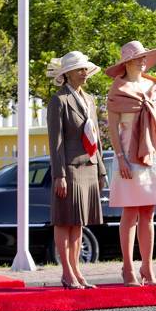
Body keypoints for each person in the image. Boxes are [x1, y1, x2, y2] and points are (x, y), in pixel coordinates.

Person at [106, 40, 156, 287]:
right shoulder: (118, 89)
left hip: (154, 156)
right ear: (127, 62)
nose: (143, 60)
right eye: (139, 57)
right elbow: (113, 130)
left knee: (148, 213)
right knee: (129, 212)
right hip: (129, 156)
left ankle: (147, 268)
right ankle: (128, 268)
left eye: (144, 57)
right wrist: (120, 159)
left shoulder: (152, 85)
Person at [46, 51, 107, 290]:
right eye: (79, 69)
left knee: (79, 222)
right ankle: (67, 272)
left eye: (85, 69)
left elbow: (97, 138)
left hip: (89, 166)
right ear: (67, 73)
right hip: (69, 169)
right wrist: (59, 174)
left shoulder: (90, 99)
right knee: (65, 221)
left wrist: (101, 170)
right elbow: (56, 141)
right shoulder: (58, 100)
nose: (84, 73)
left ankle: (77, 271)